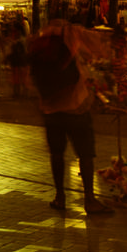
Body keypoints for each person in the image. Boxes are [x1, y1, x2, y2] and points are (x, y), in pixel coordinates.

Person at [29, 20, 112, 216]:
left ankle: (60, 197)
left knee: (57, 154)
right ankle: (90, 200)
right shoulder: (72, 32)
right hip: (76, 107)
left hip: (50, 109)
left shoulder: (41, 37)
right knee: (85, 154)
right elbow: (100, 46)